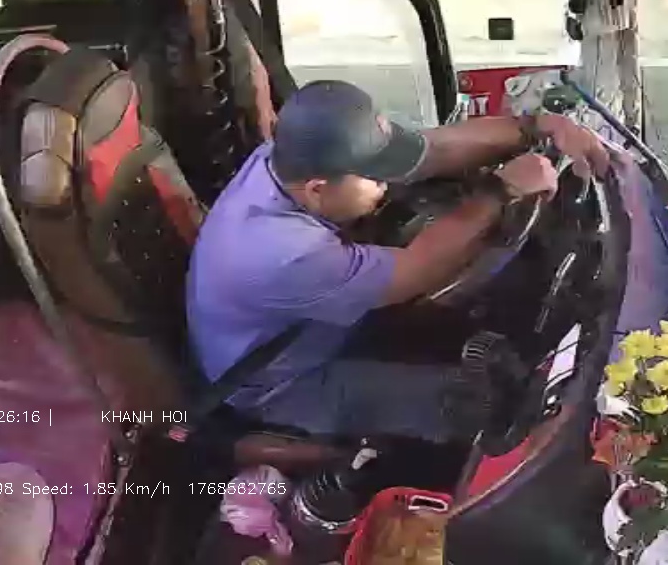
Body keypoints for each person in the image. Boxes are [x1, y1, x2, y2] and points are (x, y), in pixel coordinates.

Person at [187, 80, 610, 442]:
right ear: (318, 189)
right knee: (475, 404)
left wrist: (537, 127)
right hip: (283, 382)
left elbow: (432, 151)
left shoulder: (286, 159)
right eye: (374, 177)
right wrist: (501, 192)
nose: (387, 183)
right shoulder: (282, 252)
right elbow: (415, 271)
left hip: (310, 326)